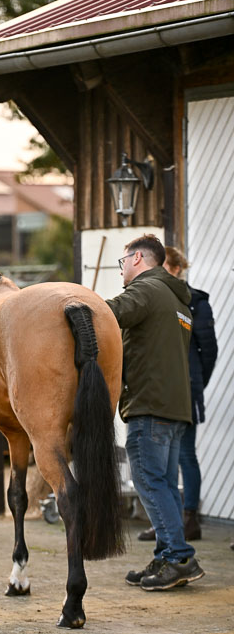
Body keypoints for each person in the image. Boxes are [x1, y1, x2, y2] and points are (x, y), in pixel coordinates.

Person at [106, 233, 204, 591]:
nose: (121, 272)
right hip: (175, 406)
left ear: (136, 259)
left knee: (148, 479)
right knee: (165, 484)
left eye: (122, 263)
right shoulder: (177, 299)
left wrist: (71, 305)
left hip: (152, 404)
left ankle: (179, 556)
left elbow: (109, 314)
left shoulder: (146, 290)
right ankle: (167, 556)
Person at [138, 246, 217, 542]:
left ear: (174, 268)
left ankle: (189, 519)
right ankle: (165, 523)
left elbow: (209, 351)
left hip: (186, 389)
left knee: (185, 456)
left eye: (161, 266)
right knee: (161, 460)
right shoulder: (153, 298)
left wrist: (196, 384)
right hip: (161, 391)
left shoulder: (196, 302)